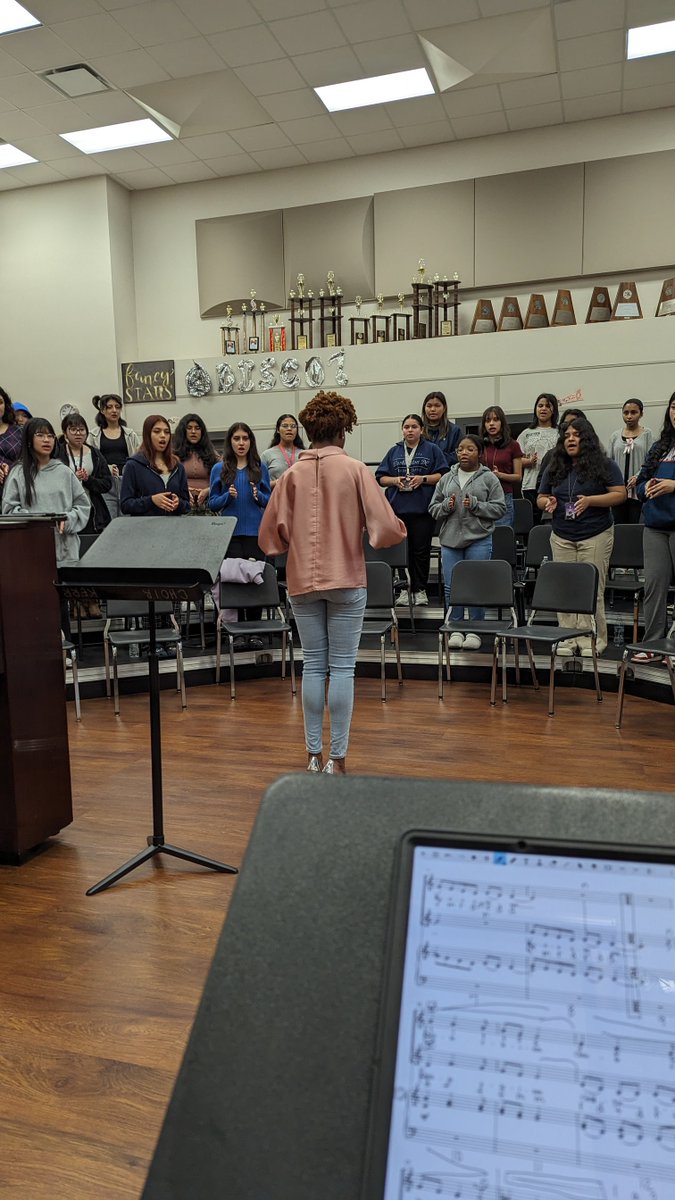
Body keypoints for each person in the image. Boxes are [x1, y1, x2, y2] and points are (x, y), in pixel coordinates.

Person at [258, 390, 406, 775]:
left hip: (301, 581)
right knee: (341, 669)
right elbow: (387, 530)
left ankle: (313, 756)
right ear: (342, 431)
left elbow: (269, 540)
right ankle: (337, 760)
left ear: (309, 431)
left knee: (312, 666)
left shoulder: (289, 476)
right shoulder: (356, 470)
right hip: (346, 579)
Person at [537, 417, 626, 656]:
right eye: (566, 436)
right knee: (564, 588)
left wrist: (590, 501)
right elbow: (541, 497)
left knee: (591, 588)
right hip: (562, 535)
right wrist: (548, 502)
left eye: (576, 435)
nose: (570, 439)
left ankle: (591, 638)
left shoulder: (605, 465)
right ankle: (567, 638)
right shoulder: (555, 466)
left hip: (595, 533)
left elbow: (620, 494)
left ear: (587, 439)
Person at [2, 418, 90, 634]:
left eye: (50, 435)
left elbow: (83, 506)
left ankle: (66, 649)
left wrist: (68, 519)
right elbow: (8, 510)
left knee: (60, 607)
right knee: (36, 607)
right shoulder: (18, 472)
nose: (47, 440)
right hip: (31, 553)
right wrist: (37, 521)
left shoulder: (64, 472)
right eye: (40, 435)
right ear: (29, 440)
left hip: (64, 550)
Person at [428, 435, 506, 649]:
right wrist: (445, 506)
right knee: (451, 586)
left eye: (470, 449)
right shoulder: (447, 478)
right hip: (450, 540)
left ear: (479, 453)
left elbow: (500, 508)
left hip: (479, 538)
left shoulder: (489, 478)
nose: (464, 453)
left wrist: (477, 506)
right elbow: (433, 508)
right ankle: (455, 628)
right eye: (460, 449)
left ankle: (474, 630)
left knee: (475, 585)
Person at [208, 422, 271, 643]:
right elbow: (212, 503)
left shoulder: (260, 467)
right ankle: (237, 632)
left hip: (255, 533)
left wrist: (258, 496)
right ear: (230, 442)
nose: (241, 443)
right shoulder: (219, 469)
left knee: (254, 581)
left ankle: (254, 632)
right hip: (231, 535)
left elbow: (269, 500)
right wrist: (228, 497)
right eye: (237, 439)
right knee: (234, 582)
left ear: (251, 442)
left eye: (245, 438)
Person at [376, 414, 447, 607]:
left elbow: (443, 474)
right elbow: (381, 478)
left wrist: (422, 479)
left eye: (414, 426)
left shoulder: (432, 449)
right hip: (398, 510)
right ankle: (403, 590)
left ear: (421, 429)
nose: (410, 430)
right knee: (401, 551)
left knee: (420, 551)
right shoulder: (394, 451)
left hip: (423, 509)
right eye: (406, 427)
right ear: (402, 430)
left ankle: (420, 589)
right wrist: (394, 481)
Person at [633, 393, 675, 662]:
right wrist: (645, 486)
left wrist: (674, 485)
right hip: (655, 526)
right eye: (674, 407)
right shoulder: (661, 446)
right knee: (654, 586)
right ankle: (654, 645)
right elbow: (640, 483)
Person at [120, 414, 191, 516]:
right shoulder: (133, 465)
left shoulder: (178, 466)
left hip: (173, 524)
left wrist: (178, 503)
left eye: (167, 432)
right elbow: (125, 505)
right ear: (147, 435)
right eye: (157, 431)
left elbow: (187, 506)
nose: (163, 435)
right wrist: (151, 500)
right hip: (145, 524)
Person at [57, 412, 112, 534]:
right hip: (65, 508)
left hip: (91, 509)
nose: (78, 433)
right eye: (73, 430)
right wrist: (72, 478)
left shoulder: (95, 454)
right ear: (65, 433)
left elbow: (107, 483)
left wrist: (88, 479)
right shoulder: (57, 453)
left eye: (81, 430)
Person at [90, 393, 141, 519]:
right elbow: (90, 461)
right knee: (109, 520)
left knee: (128, 520)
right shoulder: (93, 435)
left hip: (127, 481)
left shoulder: (130, 434)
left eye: (117, 407)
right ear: (102, 410)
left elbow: (139, 457)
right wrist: (106, 468)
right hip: (106, 483)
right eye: (109, 407)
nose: (114, 410)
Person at [607, 398, 654, 525]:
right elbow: (609, 462)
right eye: (626, 412)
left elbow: (651, 461)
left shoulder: (647, 434)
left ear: (641, 414)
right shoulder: (615, 436)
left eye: (634, 412)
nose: (629, 416)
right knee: (618, 524)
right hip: (618, 489)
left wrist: (638, 476)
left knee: (635, 524)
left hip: (637, 489)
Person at [479, 406, 523, 528]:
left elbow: (518, 477)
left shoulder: (513, 445)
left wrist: (499, 475)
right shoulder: (479, 445)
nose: (491, 424)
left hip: (503, 495)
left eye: (496, 419)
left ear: (502, 423)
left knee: (502, 534)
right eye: (488, 420)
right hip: (481, 496)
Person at [518, 393, 559, 522]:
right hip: (530, 485)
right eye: (540, 406)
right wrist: (527, 461)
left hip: (552, 485)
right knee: (532, 523)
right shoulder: (526, 433)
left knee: (550, 521)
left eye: (548, 406)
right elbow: (515, 460)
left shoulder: (559, 432)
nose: (543, 409)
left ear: (554, 410)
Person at [173, 413, 220, 511]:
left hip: (207, 505)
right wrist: (183, 491)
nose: (193, 431)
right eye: (189, 428)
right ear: (183, 431)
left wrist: (209, 490)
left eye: (197, 428)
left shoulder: (212, 454)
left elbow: (224, 478)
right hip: (182, 504)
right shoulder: (174, 454)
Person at [261, 414, 305, 486]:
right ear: (278, 430)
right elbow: (260, 484)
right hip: (276, 492)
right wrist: (278, 482)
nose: (289, 429)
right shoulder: (267, 455)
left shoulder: (304, 454)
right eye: (285, 426)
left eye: (293, 426)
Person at [421, 391, 463, 467]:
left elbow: (459, 454)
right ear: (424, 408)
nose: (433, 409)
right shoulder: (418, 431)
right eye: (429, 406)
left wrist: (437, 459)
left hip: (447, 472)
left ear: (444, 408)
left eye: (437, 406)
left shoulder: (455, 431)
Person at [0, 386, 23, 499]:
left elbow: (30, 460)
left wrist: (10, 467)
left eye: (0, 402)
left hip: (16, 490)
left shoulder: (19, 432)